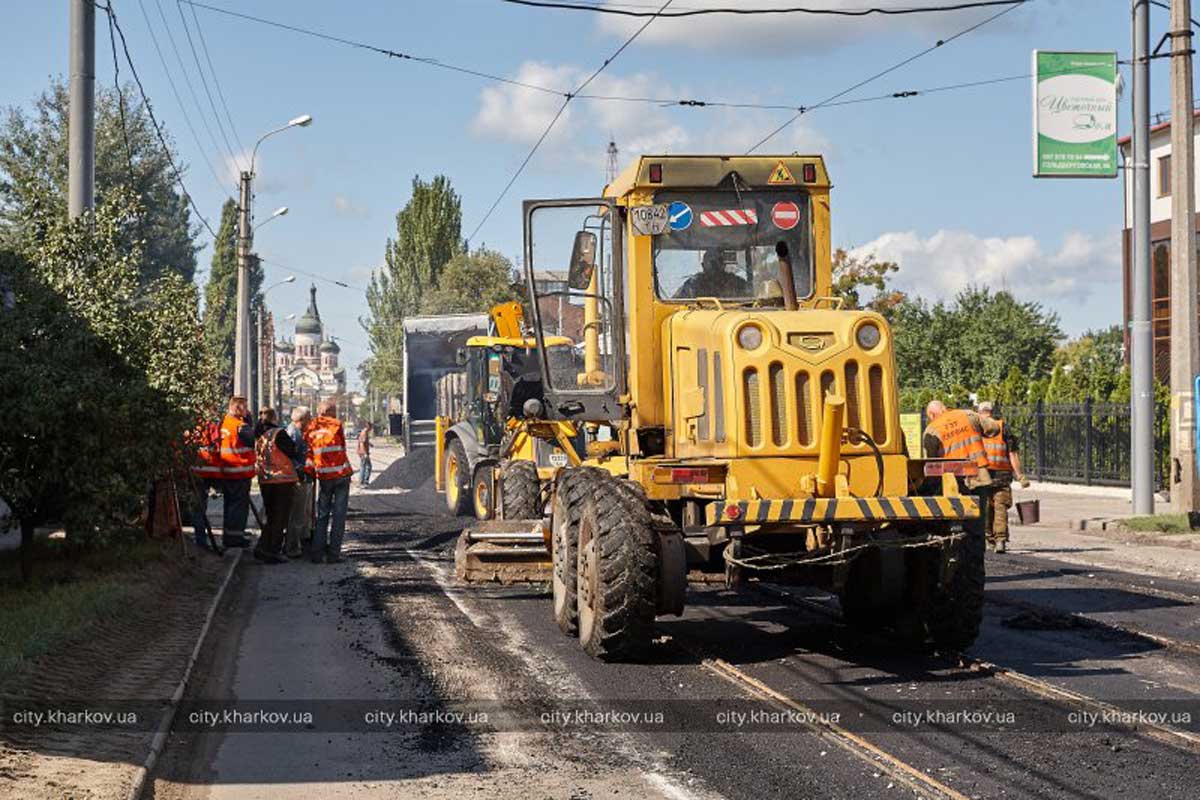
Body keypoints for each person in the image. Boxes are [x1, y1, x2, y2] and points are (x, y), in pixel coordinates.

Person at [923, 399, 1001, 544]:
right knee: (977, 524)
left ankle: (956, 554)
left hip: (952, 483)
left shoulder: (931, 429)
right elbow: (994, 428)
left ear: (932, 415)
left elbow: (931, 462)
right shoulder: (968, 415)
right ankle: (976, 561)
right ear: (945, 408)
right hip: (979, 477)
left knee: (954, 522)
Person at [977, 401, 1029, 554]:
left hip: (982, 475)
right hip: (1002, 475)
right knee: (1000, 508)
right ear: (992, 412)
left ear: (980, 413)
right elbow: (1012, 454)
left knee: (984, 508)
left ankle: (989, 540)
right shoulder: (1004, 428)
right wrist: (1020, 475)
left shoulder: (976, 429)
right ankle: (1000, 540)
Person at [306, 399, 354, 563]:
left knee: (322, 515)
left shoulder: (311, 427)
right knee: (339, 516)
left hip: (324, 477)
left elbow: (309, 452)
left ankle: (317, 554)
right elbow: (343, 446)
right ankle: (334, 555)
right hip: (340, 475)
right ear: (332, 412)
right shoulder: (337, 425)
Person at [253, 407, 298, 564]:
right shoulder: (278, 433)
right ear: (274, 418)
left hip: (265, 480)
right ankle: (273, 551)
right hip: (281, 480)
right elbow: (292, 451)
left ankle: (263, 546)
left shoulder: (259, 436)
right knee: (279, 518)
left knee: (271, 516)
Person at [218, 396, 256, 548]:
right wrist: (249, 421)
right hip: (240, 471)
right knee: (239, 508)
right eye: (245, 408)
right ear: (239, 409)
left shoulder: (225, 422)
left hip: (227, 470)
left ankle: (228, 536)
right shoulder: (241, 426)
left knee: (229, 506)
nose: (247, 411)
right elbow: (253, 440)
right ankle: (235, 538)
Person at [187, 417, 223, 550]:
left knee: (198, 508)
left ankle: (200, 539)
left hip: (197, 472)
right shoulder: (213, 426)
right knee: (202, 507)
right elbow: (219, 447)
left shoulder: (190, 426)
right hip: (213, 472)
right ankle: (203, 541)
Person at [285, 406, 315, 559]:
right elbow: (287, 457)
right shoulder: (292, 434)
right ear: (302, 420)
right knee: (297, 515)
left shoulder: (300, 433)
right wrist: (301, 468)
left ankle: (302, 543)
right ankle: (292, 548)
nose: (311, 420)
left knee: (303, 513)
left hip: (305, 477)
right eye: (309, 418)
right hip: (298, 479)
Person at [674, 249, 751, 299]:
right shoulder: (692, 285)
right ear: (703, 266)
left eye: (717, 262)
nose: (714, 266)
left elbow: (751, 302)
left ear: (723, 265)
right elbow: (675, 303)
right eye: (712, 263)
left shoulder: (737, 283)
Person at [357, 422, 374, 487]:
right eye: (371, 427)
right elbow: (361, 444)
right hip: (363, 453)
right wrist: (365, 454)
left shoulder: (365, 432)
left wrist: (369, 444)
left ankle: (362, 482)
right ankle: (364, 482)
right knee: (367, 467)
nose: (371, 429)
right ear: (368, 427)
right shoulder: (364, 433)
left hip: (363, 452)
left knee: (364, 466)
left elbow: (364, 441)